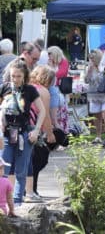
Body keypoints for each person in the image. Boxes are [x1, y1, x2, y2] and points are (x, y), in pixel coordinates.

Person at [0, 59, 45, 206]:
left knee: (21, 170)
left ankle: (18, 202)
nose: (15, 79)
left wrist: (36, 130)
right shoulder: (4, 88)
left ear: (24, 76)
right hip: (6, 134)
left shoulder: (30, 90)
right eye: (13, 76)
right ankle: (4, 203)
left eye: (18, 76)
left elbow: (42, 111)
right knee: (4, 168)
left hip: (24, 134)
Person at [24, 65, 56, 202]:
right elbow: (46, 115)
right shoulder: (43, 92)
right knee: (36, 161)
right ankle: (31, 190)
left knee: (24, 161)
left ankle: (26, 190)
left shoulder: (27, 86)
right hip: (34, 129)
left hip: (21, 127)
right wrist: (50, 134)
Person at [84, 49, 105, 144]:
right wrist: (89, 71)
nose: (91, 61)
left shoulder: (103, 67)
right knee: (96, 116)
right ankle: (98, 136)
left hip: (104, 94)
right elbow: (86, 81)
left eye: (92, 59)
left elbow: (103, 79)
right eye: (90, 59)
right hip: (93, 94)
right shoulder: (90, 68)